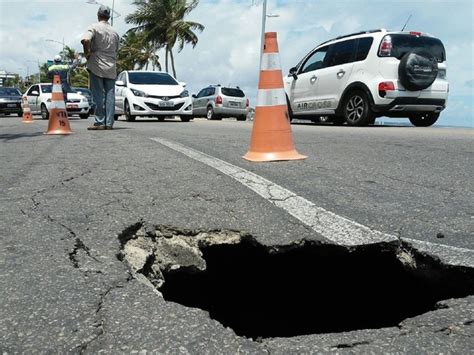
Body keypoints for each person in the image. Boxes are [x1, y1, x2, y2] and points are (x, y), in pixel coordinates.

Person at [81, 5, 120, 130]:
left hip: (97, 64)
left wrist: (87, 54)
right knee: (110, 94)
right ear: (109, 17)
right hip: (111, 66)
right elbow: (117, 49)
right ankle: (109, 123)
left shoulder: (94, 27)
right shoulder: (115, 32)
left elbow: (85, 40)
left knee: (98, 94)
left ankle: (99, 121)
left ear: (98, 15)